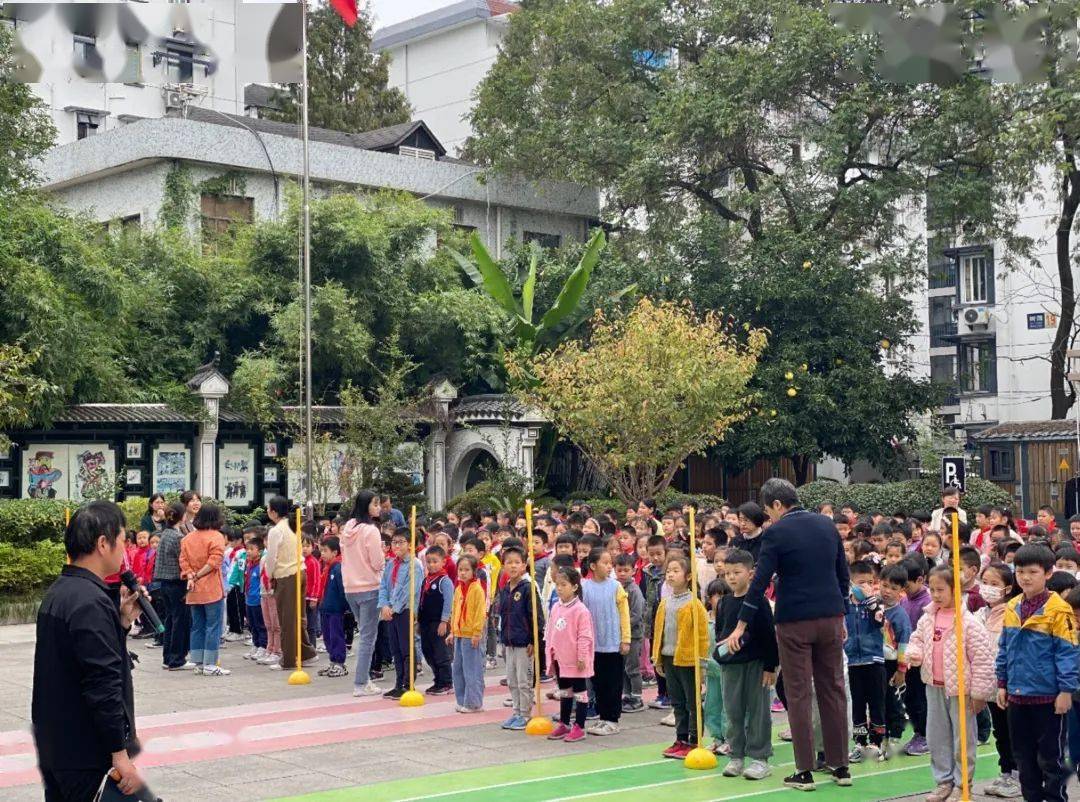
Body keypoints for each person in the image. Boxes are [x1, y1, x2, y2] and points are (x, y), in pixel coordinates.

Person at [724, 478, 850, 790]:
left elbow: (759, 581)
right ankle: (841, 766)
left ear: (778, 505)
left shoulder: (776, 533)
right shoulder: (826, 524)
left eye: (768, 510)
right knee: (833, 689)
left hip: (794, 619)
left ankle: (804, 771)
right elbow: (842, 574)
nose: (769, 516)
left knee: (798, 692)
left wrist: (741, 623)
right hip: (831, 616)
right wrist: (842, 612)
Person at [33, 501, 143, 801]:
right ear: (103, 543)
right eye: (123, 540)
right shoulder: (89, 602)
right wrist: (119, 753)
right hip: (87, 753)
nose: (125, 549)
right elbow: (102, 683)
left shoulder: (61, 591)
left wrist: (120, 623)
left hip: (59, 745)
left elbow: (76, 662)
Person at [996, 544, 1079, 802]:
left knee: (1050, 760)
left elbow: (1067, 653)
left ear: (1049, 573)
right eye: (1020, 571)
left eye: (1033, 571)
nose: (1026, 577)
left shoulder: (1059, 609)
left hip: (1048, 699)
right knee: (1024, 759)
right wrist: (1002, 683)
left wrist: (1066, 690)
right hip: (1017, 697)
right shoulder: (1011, 607)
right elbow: (1004, 649)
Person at [907, 565, 995, 802]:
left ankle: (962, 783)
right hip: (934, 687)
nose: (935, 595)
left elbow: (983, 660)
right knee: (937, 737)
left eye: (941, 590)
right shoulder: (927, 618)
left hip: (961, 691)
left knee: (962, 740)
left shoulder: (969, 623)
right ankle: (943, 781)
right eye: (932, 589)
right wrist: (914, 652)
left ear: (956, 590)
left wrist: (979, 694)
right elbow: (916, 639)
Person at [715, 548, 777, 780]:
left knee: (759, 711)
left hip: (756, 664)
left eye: (737, 572)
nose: (731, 577)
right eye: (727, 573)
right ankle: (736, 755)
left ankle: (760, 758)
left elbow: (770, 636)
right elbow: (721, 631)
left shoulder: (759, 602)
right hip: (730, 666)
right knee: (732, 711)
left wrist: (771, 666)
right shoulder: (723, 603)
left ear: (750, 573)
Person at [652, 553, 709, 760]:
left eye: (676, 571)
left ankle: (695, 739)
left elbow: (702, 636)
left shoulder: (694, 604)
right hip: (669, 658)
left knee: (692, 702)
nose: (671, 575)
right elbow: (658, 632)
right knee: (676, 701)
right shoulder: (665, 603)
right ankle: (680, 738)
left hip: (687, 660)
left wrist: (701, 663)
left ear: (688, 576)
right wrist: (657, 658)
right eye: (669, 571)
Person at [976, 562, 1021, 799]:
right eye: (985, 583)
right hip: (990, 685)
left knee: (1015, 731)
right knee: (1001, 731)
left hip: (1010, 684)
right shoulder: (980, 614)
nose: (988, 588)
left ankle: (1019, 775)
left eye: (995, 584)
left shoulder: (1013, 611)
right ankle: (1006, 773)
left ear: (1007, 588)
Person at [340, 490, 386, 697]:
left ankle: (363, 680)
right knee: (368, 637)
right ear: (366, 505)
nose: (378, 507)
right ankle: (361, 682)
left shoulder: (348, 527)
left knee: (364, 633)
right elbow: (377, 562)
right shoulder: (371, 530)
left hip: (350, 588)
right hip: (369, 586)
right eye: (375, 504)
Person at [265, 496, 317, 672]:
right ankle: (306, 652)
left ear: (273, 511)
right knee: (298, 616)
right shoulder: (294, 525)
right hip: (300, 572)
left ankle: (288, 660)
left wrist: (269, 574)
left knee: (287, 619)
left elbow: (271, 558)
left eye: (268, 508)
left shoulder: (276, 530)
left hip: (286, 575)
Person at [581, 548, 630, 736]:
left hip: (613, 643)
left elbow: (624, 614)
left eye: (611, 563)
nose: (609, 567)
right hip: (594, 644)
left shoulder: (615, 586)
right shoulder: (584, 587)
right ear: (593, 566)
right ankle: (602, 717)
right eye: (605, 563)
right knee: (598, 683)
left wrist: (625, 639)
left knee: (613, 683)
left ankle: (612, 719)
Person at [545, 566, 595, 743]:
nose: (559, 588)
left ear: (574, 587)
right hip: (561, 658)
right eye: (557, 584)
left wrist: (582, 656)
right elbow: (551, 631)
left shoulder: (581, 610)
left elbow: (584, 636)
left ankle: (579, 726)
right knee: (564, 691)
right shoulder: (557, 607)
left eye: (563, 584)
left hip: (576, 660)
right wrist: (550, 653)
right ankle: (564, 722)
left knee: (580, 692)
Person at [844, 561, 887, 763]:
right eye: (861, 583)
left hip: (874, 660)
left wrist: (871, 601)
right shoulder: (844, 605)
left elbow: (880, 620)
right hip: (852, 662)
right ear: (851, 582)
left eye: (870, 582)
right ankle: (859, 742)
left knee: (876, 702)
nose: (866, 586)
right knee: (857, 704)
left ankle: (877, 742)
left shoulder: (876, 603)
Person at [179, 503, 229, 676]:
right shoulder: (216, 536)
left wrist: (192, 576)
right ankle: (210, 664)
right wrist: (199, 575)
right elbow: (215, 561)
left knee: (197, 626)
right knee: (213, 626)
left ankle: (198, 662)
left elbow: (183, 561)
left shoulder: (187, 539)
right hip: (211, 587)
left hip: (193, 588)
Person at [498, 544, 543, 730]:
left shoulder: (528, 588)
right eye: (509, 562)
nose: (513, 566)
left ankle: (525, 713)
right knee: (512, 679)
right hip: (509, 641)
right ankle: (516, 711)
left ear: (524, 565)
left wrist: (534, 639)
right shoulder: (505, 588)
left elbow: (536, 617)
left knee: (523, 679)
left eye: (517, 562)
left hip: (525, 642)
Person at [379, 528, 423, 699]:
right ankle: (398, 683)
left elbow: (408, 592)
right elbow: (383, 586)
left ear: (410, 544)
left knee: (406, 648)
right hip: (390, 612)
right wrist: (384, 605)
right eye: (394, 542)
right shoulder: (390, 564)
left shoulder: (415, 565)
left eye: (401, 542)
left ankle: (408, 683)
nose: (396, 545)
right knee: (395, 649)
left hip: (405, 610)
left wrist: (393, 607)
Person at [153, 501, 193, 671]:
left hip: (165, 583)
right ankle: (177, 659)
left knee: (170, 619)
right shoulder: (177, 537)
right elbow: (183, 559)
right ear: (181, 516)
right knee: (179, 621)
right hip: (177, 583)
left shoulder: (165, 533)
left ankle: (168, 657)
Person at [879, 563, 913, 759]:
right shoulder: (875, 606)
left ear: (902, 590)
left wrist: (901, 670)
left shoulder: (900, 615)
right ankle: (881, 735)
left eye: (893, 588)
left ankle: (895, 736)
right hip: (877, 662)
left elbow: (903, 644)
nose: (887, 591)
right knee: (879, 700)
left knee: (893, 701)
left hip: (893, 664)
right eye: (884, 585)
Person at [900, 554, 932, 756]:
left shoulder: (927, 602)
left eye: (906, 585)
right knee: (909, 698)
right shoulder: (905, 600)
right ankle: (919, 732)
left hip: (921, 661)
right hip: (906, 659)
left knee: (920, 699)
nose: (903, 590)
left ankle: (926, 734)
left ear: (920, 580)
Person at [449, 554, 486, 713]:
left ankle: (474, 703)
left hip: (471, 635)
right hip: (459, 633)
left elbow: (480, 612)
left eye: (466, 570)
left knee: (472, 669)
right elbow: (455, 610)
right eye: (460, 570)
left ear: (474, 571)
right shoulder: (458, 589)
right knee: (458, 669)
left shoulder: (477, 589)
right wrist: (452, 631)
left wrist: (477, 633)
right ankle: (461, 699)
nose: (462, 573)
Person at [418, 545, 454, 695]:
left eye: (435, 561)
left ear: (443, 562)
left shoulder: (444, 581)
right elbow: (421, 600)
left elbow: (448, 602)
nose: (431, 565)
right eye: (429, 562)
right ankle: (437, 679)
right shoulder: (426, 579)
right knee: (428, 651)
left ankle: (446, 682)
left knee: (441, 652)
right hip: (425, 622)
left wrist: (444, 621)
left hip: (438, 623)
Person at [614, 552, 646, 714]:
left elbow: (637, 613)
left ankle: (637, 697)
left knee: (632, 667)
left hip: (633, 635)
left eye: (626, 570)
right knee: (623, 667)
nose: (622, 574)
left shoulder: (634, 590)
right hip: (620, 635)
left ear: (633, 571)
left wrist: (622, 626)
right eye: (619, 570)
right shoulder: (615, 587)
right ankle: (626, 695)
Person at [704, 577, 731, 755]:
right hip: (710, 670)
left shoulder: (731, 620)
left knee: (728, 707)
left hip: (726, 670)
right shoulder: (705, 620)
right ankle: (717, 737)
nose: (718, 600)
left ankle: (730, 739)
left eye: (722, 595)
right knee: (712, 705)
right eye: (714, 596)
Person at [316, 536, 348, 678]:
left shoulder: (338, 568)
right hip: (325, 607)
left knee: (336, 636)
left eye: (325, 551)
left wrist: (345, 607)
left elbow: (342, 590)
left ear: (335, 552)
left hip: (335, 609)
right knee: (328, 637)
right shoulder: (327, 568)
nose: (322, 554)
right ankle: (332, 661)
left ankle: (340, 663)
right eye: (321, 551)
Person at [242, 536, 268, 663]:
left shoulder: (260, 565)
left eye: (252, 549)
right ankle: (256, 644)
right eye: (247, 549)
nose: (248, 551)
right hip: (249, 600)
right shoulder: (249, 564)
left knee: (260, 625)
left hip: (258, 600)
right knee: (252, 625)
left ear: (260, 551)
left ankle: (263, 646)